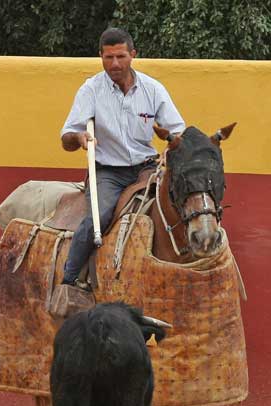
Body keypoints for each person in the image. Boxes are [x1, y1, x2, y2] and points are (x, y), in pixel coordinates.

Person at [61, 27, 185, 288]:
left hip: (147, 168)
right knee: (98, 219)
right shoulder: (91, 90)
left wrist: (172, 145)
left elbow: (177, 131)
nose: (114, 64)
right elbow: (66, 138)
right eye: (108, 58)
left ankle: (185, 268)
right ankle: (70, 279)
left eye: (120, 57)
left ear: (132, 55)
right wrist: (79, 138)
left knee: (180, 205)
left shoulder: (153, 89)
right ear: (100, 57)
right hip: (108, 172)